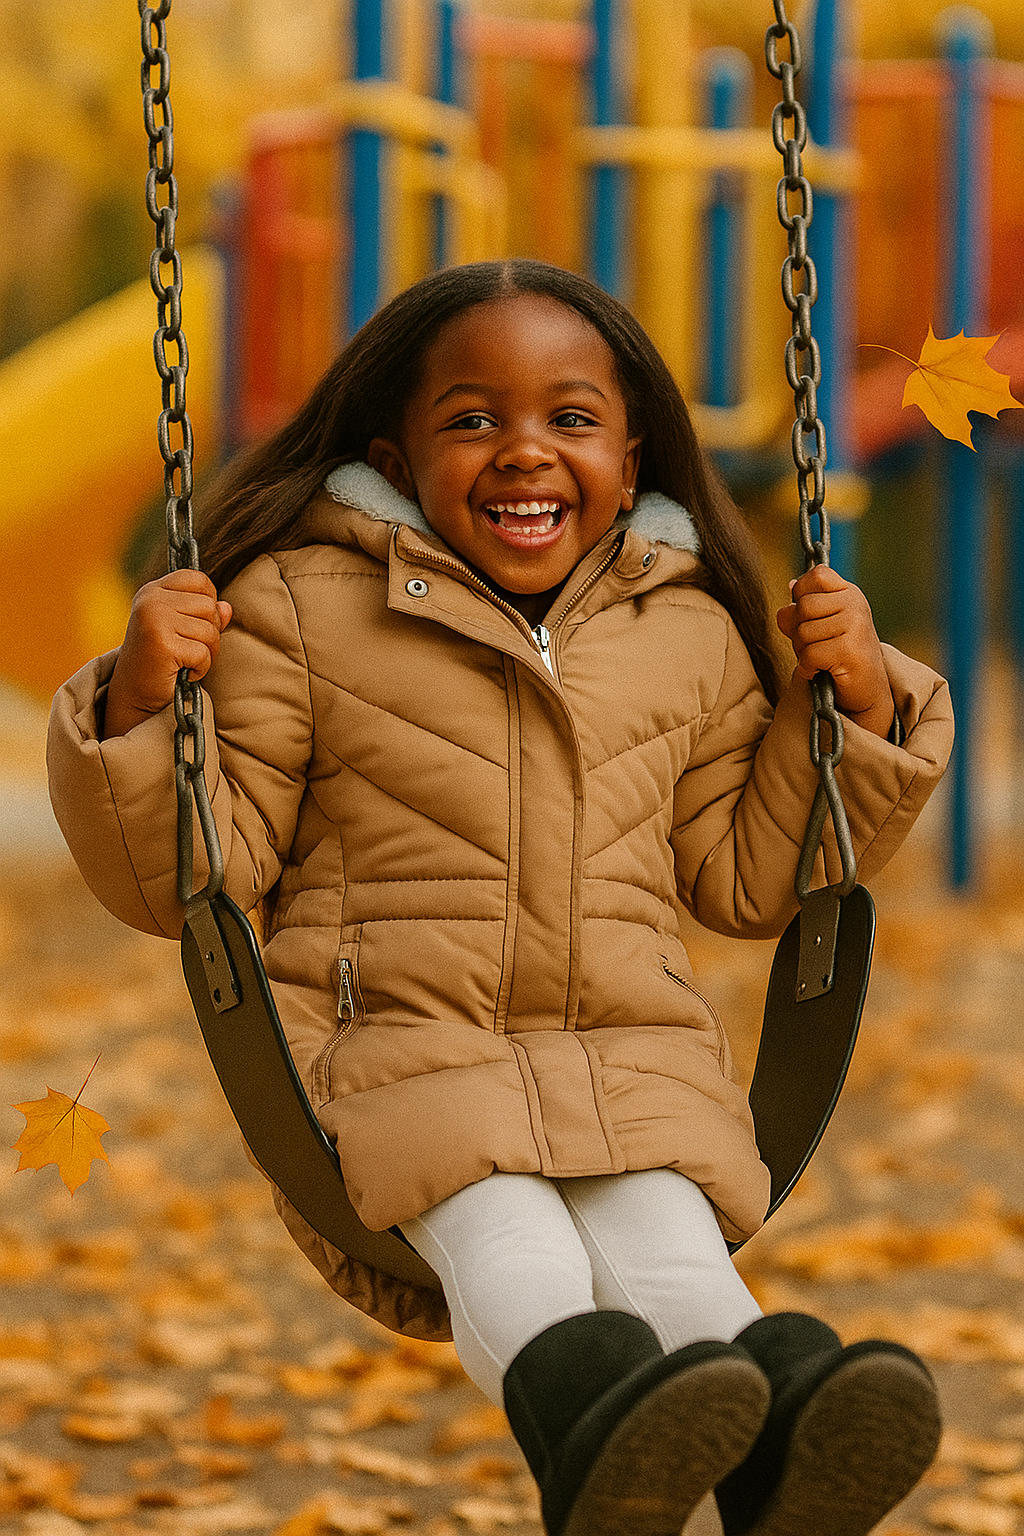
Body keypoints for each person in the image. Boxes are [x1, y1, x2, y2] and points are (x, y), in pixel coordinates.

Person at [48, 259, 954, 1536]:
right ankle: (594, 1432)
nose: (524, 451)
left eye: (569, 418)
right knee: (510, 1240)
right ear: (397, 458)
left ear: (629, 462)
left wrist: (846, 708)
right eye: (472, 419)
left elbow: (748, 877)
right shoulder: (295, 610)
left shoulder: (688, 629)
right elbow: (198, 872)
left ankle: (786, 1448)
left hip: (632, 1052)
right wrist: (142, 705)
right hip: (401, 1049)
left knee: (674, 1249)